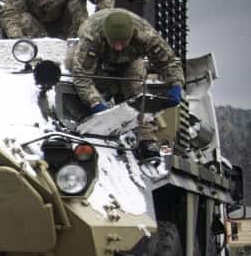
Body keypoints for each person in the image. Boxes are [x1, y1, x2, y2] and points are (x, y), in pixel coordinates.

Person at [67, 9, 185, 155]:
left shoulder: (145, 34)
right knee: (72, 63)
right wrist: (95, 103)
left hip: (130, 59)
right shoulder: (92, 35)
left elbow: (169, 61)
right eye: (114, 42)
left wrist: (176, 85)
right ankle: (96, 110)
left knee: (134, 87)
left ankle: (146, 138)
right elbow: (82, 76)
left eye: (122, 42)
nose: (118, 47)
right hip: (99, 60)